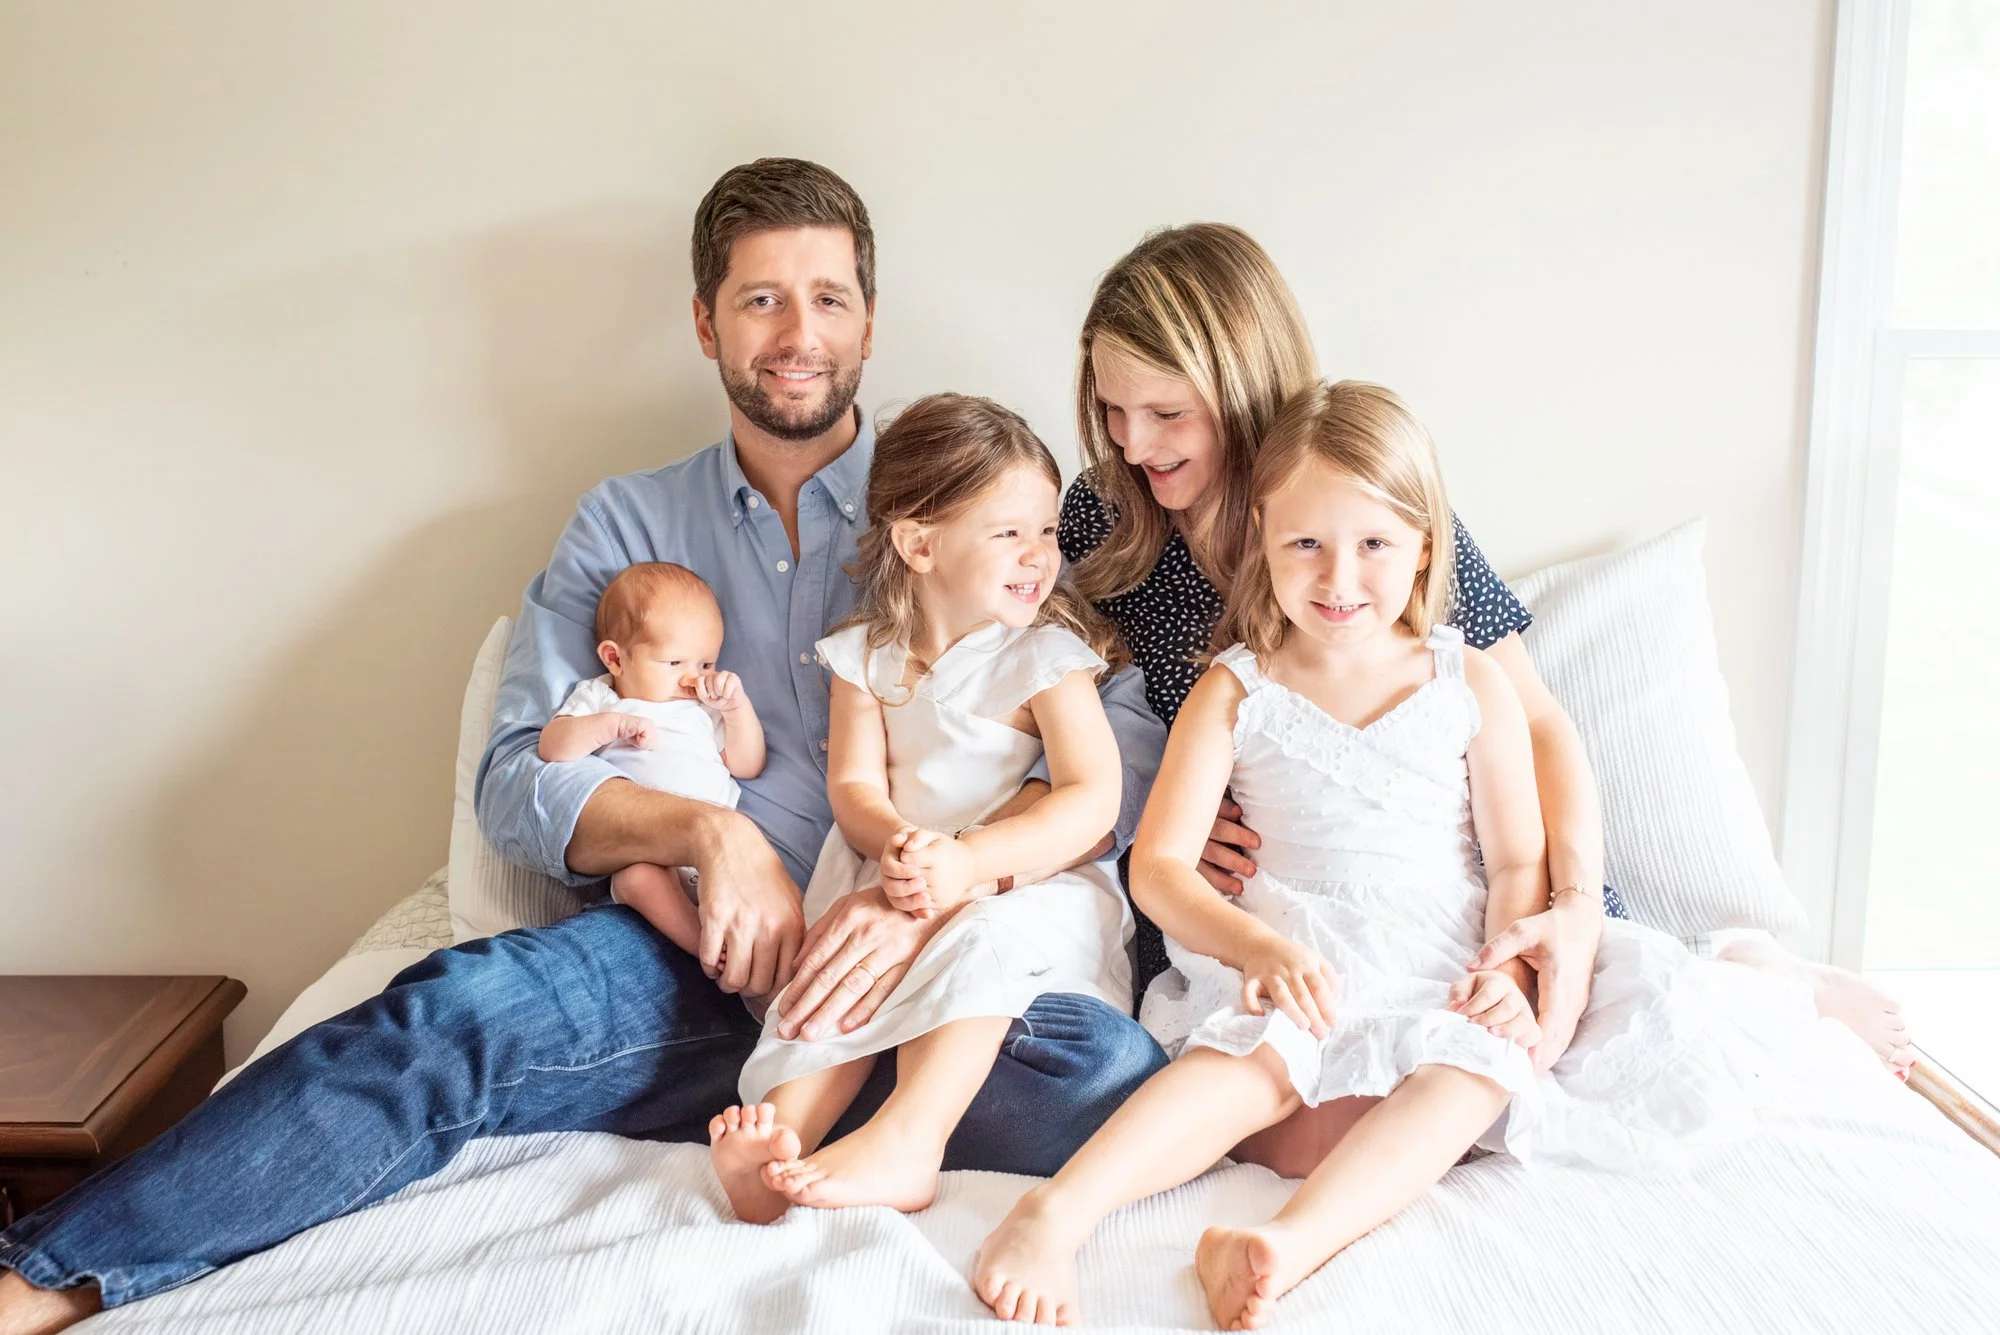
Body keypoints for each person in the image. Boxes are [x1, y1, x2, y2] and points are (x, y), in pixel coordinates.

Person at [0, 158, 1167, 1335]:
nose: (797, 333)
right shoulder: (625, 522)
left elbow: (1102, 762)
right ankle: (37, 1285)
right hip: (693, 966)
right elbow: (522, 780)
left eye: (827, 297)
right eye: (760, 299)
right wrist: (713, 835)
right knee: (451, 1015)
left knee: (1107, 1076)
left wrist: (925, 894)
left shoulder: (973, 499)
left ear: (870, 319)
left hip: (934, 953)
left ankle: (852, 1110)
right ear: (705, 321)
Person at [973, 381, 1825, 1330]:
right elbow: (1160, 870)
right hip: (1294, 947)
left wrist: (1505, 967)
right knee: (1259, 1058)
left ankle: (1285, 1246)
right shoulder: (1234, 689)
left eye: (1374, 543)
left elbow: (1514, 862)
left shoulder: (1468, 684)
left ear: (1426, 544)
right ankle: (1057, 1210)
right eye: (1306, 543)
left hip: (1439, 955)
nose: (1339, 578)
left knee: (1479, 1064)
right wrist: (1254, 949)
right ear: (1262, 538)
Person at [1056, 222, 1911, 1090]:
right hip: (1267, 893)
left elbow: (1534, 718)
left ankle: (1743, 961)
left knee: (1611, 1017)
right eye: (1112, 411)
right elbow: (1088, 725)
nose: (1133, 444)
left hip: (1427, 868)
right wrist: (1161, 850)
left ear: (1241, 391)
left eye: (1167, 414)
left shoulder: (1367, 501)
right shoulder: (1104, 515)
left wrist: (1574, 905)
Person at [713, 393, 1134, 1223]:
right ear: (919, 541)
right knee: (842, 979)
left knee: (976, 940)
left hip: (1020, 887)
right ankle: (782, 1143)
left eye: (1047, 531)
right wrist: (900, 845)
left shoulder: (1045, 655)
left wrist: (968, 864)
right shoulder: (864, 656)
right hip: (895, 873)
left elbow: (1095, 798)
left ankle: (911, 1137)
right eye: (1009, 532)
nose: (1039, 556)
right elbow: (855, 787)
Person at [538, 561, 765, 957]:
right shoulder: (603, 697)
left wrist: (736, 709)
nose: (691, 678)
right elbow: (553, 748)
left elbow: (747, 765)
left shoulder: (702, 707)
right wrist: (613, 726)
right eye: (674, 663)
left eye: (706, 664)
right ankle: (702, 947)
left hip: (720, 854)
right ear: (615, 658)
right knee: (635, 880)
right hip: (650, 852)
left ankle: (738, 949)